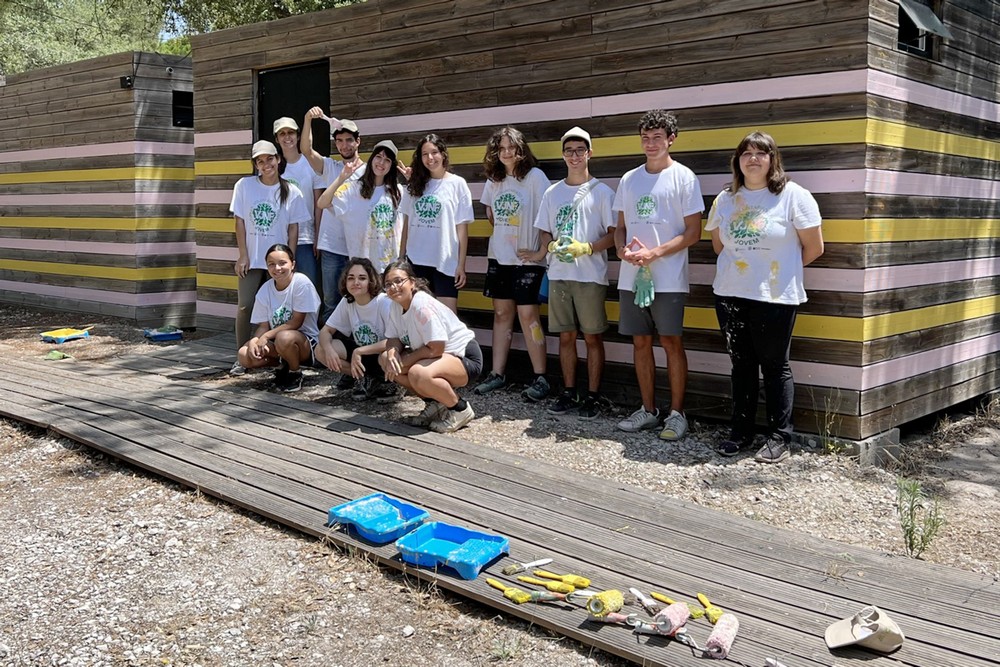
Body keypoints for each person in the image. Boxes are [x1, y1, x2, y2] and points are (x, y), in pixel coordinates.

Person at [706, 130, 824, 464]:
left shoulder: (792, 196)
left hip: (775, 296)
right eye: (746, 153)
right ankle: (740, 431)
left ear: (773, 160)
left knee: (774, 366)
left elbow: (815, 247)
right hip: (731, 293)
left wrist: (779, 270)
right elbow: (718, 246)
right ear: (737, 161)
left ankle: (779, 436)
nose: (753, 159)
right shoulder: (725, 200)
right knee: (741, 366)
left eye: (761, 152)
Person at [613, 110, 704, 441]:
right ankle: (648, 410)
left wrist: (654, 253)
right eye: (645, 138)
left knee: (670, 342)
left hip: (668, 277)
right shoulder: (629, 179)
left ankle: (677, 414)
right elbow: (619, 228)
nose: (650, 144)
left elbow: (694, 232)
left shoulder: (684, 178)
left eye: (657, 138)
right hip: (631, 276)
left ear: (671, 140)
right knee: (640, 343)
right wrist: (622, 250)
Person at [530, 127, 616, 420]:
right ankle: (569, 392)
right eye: (569, 151)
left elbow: (614, 235)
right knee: (566, 336)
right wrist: (550, 244)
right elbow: (544, 230)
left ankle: (592, 395)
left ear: (590, 153)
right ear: (563, 155)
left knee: (592, 337)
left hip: (590, 275)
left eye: (580, 150)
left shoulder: (603, 192)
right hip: (559, 274)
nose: (575, 156)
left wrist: (588, 248)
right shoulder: (552, 193)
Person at [473, 127, 552, 402]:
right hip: (500, 257)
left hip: (527, 260)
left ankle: (540, 377)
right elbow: (490, 213)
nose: (507, 153)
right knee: (501, 314)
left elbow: (546, 216)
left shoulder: (535, 177)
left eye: (511, 147)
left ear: (521, 149)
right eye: (501, 148)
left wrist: (541, 251)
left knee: (529, 316)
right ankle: (497, 373)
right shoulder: (494, 180)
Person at [230, 140, 310, 375]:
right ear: (255, 165)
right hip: (253, 259)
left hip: (278, 262)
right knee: (246, 305)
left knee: (279, 309)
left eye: (269, 159)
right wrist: (242, 254)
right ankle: (241, 353)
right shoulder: (244, 186)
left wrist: (289, 259)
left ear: (278, 160)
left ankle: (278, 353)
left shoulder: (291, 191)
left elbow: (293, 228)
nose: (266, 165)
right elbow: (239, 222)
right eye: (260, 161)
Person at [379, 259, 484, 433]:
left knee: (417, 373)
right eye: (388, 284)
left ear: (412, 282)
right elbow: (393, 338)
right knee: (385, 360)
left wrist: (405, 361)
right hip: (436, 356)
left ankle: (460, 409)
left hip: (464, 357)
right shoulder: (395, 306)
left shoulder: (422, 306)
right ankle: (435, 404)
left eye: (399, 281)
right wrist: (392, 352)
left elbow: (436, 348)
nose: (394, 287)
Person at [301, 108, 366, 324]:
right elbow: (306, 150)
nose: (344, 145)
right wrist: (308, 119)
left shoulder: (371, 171)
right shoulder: (330, 166)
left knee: (360, 300)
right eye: (339, 141)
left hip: (359, 247)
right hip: (331, 246)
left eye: (349, 140)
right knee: (331, 301)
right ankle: (326, 353)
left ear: (358, 141)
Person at [400, 134, 474, 314]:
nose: (430, 158)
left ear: (443, 154)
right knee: (418, 315)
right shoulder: (415, 185)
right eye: (424, 154)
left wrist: (461, 265)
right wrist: (401, 258)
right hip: (416, 260)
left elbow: (462, 230)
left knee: (447, 316)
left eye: (434, 152)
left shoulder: (457, 184)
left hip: (445, 260)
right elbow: (407, 224)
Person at [237, 243, 321, 393]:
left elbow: (296, 322)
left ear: (293, 264)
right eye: (272, 264)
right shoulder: (265, 289)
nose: (277, 268)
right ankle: (281, 366)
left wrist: (267, 336)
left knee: (284, 337)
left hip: (305, 343)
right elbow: (263, 326)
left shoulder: (301, 282)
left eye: (282, 263)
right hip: (279, 344)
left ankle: (295, 372)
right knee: (244, 355)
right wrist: (254, 342)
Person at [317, 140, 403, 275]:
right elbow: (322, 203)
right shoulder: (353, 188)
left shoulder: (397, 191)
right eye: (378, 157)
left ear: (391, 166)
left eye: (387, 160)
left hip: (390, 267)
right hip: (363, 269)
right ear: (371, 158)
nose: (381, 163)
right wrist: (341, 178)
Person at [315, 257, 396, 401]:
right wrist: (328, 351)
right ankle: (364, 379)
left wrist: (360, 351)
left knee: (385, 356)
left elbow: (394, 341)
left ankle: (391, 383)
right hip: (362, 355)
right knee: (320, 350)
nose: (356, 282)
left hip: (384, 354)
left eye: (362, 278)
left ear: (371, 281)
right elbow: (326, 331)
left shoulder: (383, 302)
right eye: (351, 278)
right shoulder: (348, 301)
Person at [272, 117, 322, 294]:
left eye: (291, 132)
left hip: (305, 238)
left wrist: (318, 235)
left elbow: (318, 203)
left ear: (298, 136)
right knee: (282, 288)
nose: (287, 137)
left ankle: (310, 323)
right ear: (276, 139)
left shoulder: (310, 164)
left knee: (308, 286)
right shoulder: (273, 166)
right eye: (282, 134)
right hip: (278, 237)